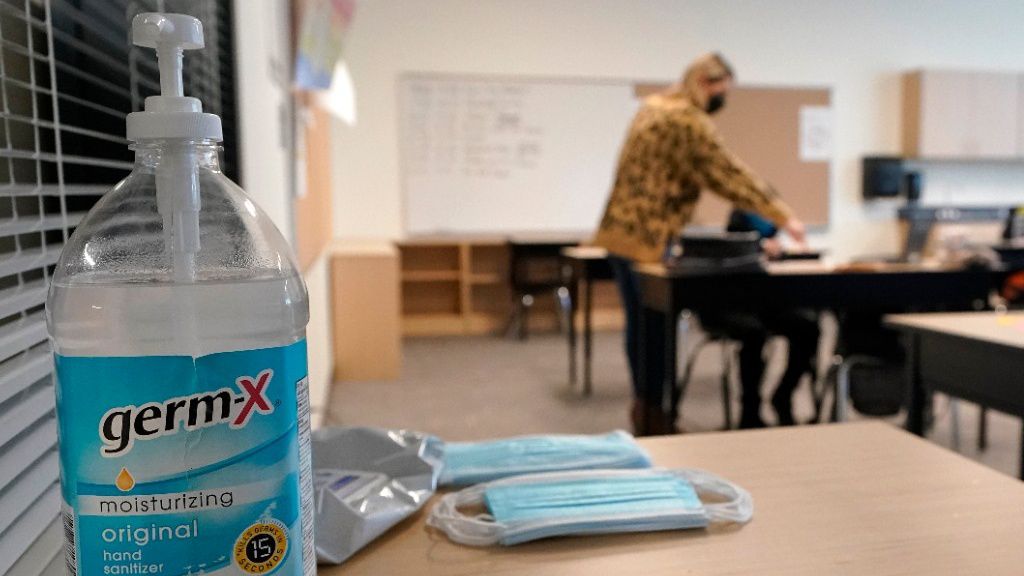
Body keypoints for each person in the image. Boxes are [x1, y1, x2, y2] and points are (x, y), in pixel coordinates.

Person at [592, 52, 806, 435]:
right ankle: (656, 419)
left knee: (639, 326)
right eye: (721, 90)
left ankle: (646, 410)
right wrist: (782, 214)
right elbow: (728, 173)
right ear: (706, 82)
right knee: (655, 329)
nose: (721, 99)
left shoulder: (651, 109)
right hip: (649, 238)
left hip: (619, 232)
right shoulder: (687, 120)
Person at [696, 209, 820, 428]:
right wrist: (760, 247)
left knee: (808, 327)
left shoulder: (771, 215)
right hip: (730, 305)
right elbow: (737, 247)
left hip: (766, 303)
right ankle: (749, 410)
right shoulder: (741, 216)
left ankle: (784, 394)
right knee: (753, 334)